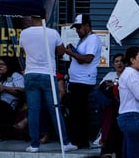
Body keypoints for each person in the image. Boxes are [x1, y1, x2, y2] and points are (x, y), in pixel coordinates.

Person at [19, 12, 77, 153]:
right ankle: (65, 143)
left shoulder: (24, 33)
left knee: (33, 110)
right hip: (48, 74)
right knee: (55, 109)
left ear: (32, 18)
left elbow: (22, 50)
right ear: (45, 17)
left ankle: (34, 145)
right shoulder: (52, 33)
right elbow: (61, 51)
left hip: (31, 73)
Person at [64, 14, 102, 149]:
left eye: (79, 28)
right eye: (76, 28)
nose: (77, 31)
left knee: (79, 112)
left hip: (83, 81)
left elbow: (87, 59)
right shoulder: (83, 40)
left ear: (87, 26)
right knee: (76, 112)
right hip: (76, 81)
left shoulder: (93, 39)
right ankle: (77, 140)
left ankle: (80, 141)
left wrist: (70, 53)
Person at [96, 53, 125, 157]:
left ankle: (106, 143)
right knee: (100, 93)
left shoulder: (127, 75)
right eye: (116, 61)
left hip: (121, 104)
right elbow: (100, 87)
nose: (119, 63)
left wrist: (115, 85)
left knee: (111, 107)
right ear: (113, 64)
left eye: (121, 61)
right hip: (109, 104)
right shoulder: (110, 75)